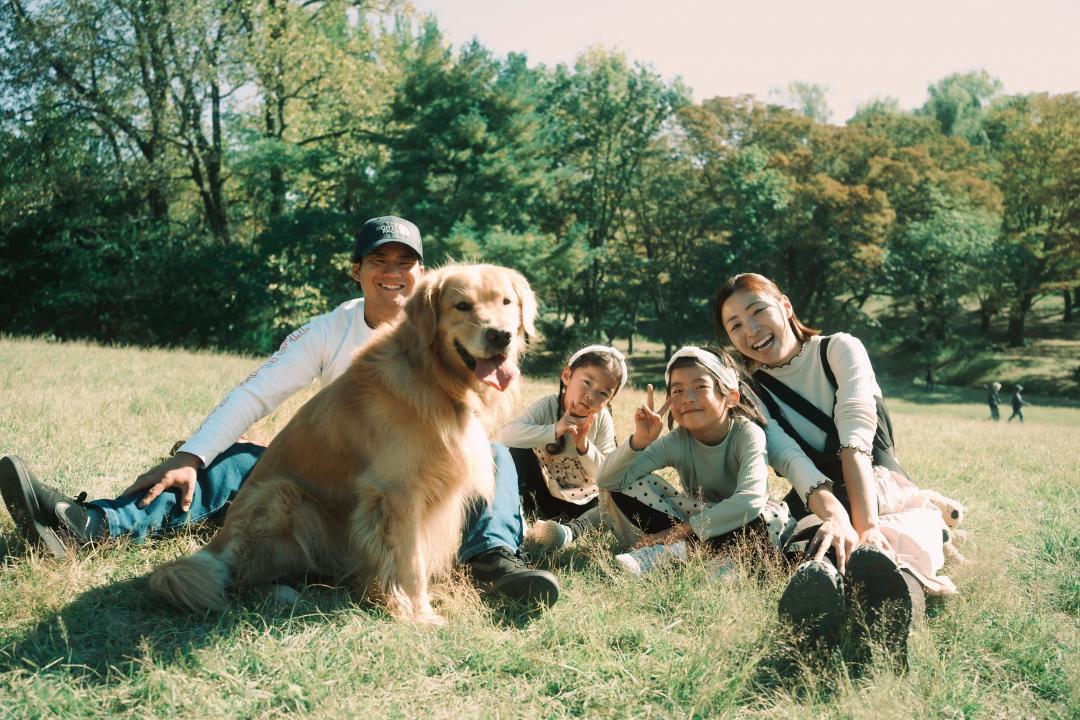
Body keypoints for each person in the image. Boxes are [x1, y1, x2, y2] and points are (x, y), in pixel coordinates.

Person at [0, 216, 559, 607]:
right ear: (358, 270)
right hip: (329, 478)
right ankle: (93, 525)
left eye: (405, 261)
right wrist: (192, 453)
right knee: (231, 461)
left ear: (420, 275)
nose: (392, 271)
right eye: (378, 260)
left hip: (399, 486)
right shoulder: (331, 329)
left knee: (497, 457)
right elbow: (256, 394)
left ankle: (493, 561)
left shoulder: (466, 326)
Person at [715, 272, 955, 665]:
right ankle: (817, 614)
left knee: (887, 545)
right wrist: (835, 517)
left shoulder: (840, 349)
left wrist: (866, 526)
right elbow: (790, 458)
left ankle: (894, 616)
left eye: (758, 312)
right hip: (815, 495)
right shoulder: (752, 391)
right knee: (819, 544)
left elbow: (856, 441)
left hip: (875, 483)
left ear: (786, 307)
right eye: (735, 325)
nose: (751, 330)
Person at [597, 346, 788, 576]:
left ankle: (671, 554)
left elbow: (750, 501)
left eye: (700, 387)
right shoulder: (677, 441)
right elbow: (608, 481)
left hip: (742, 522)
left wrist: (677, 533)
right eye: (677, 391)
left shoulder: (747, 433)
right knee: (624, 486)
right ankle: (713, 561)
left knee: (771, 518)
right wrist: (639, 441)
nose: (687, 398)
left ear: (730, 397)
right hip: (695, 515)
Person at [498, 344, 626, 553]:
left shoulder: (602, 420)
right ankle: (518, 520)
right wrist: (554, 429)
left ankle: (568, 532)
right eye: (587, 382)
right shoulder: (547, 406)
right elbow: (506, 435)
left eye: (603, 393)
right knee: (516, 452)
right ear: (567, 375)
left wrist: (584, 446)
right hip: (541, 495)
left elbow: (609, 476)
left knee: (617, 496)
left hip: (583, 503)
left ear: (609, 401)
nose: (591, 396)